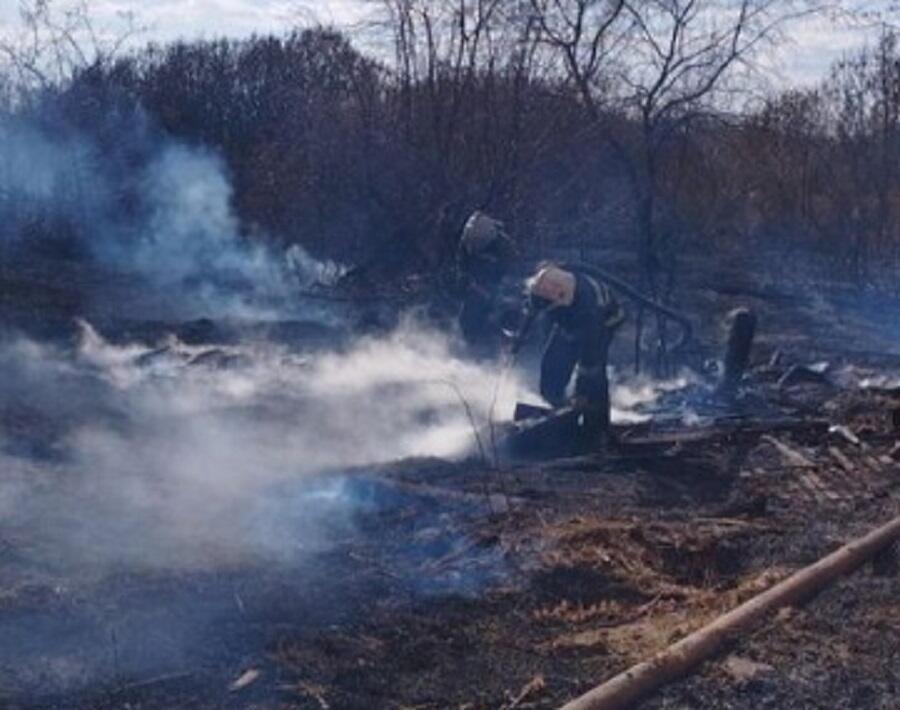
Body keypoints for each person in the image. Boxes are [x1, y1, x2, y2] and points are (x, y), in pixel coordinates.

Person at [517, 263, 625, 446]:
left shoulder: (589, 309)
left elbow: (591, 355)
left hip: (605, 324)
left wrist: (581, 392)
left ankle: (596, 431)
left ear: (562, 298)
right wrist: (519, 338)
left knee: (593, 379)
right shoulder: (546, 286)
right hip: (569, 323)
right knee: (551, 371)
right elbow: (534, 309)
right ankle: (562, 416)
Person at [456, 211, 517, 347]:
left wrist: (495, 285)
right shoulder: (466, 242)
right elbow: (462, 263)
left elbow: (509, 266)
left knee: (489, 316)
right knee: (468, 318)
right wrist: (468, 280)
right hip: (476, 285)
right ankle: (471, 344)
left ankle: (498, 343)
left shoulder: (502, 244)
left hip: (497, 286)